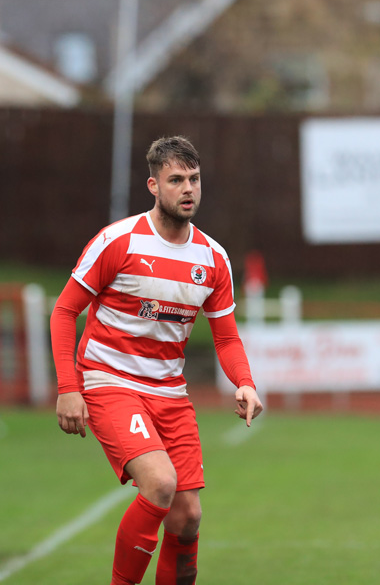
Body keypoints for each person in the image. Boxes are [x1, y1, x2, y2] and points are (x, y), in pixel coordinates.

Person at [50, 135, 263, 585]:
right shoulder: (117, 241)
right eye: (176, 180)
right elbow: (65, 311)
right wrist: (69, 389)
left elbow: (226, 337)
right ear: (153, 185)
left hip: (169, 392)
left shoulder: (213, 258)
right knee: (161, 484)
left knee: (187, 517)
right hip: (111, 381)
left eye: (195, 179)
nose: (188, 189)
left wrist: (244, 381)